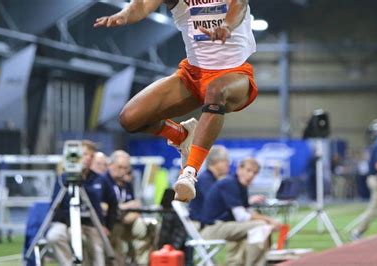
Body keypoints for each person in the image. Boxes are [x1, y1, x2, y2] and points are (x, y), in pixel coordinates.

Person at [94, 0, 258, 202]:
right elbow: (142, 5)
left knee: (216, 90)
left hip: (235, 74)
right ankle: (180, 135)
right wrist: (126, 14)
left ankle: (189, 173)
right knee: (130, 118)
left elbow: (239, 5)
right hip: (192, 75)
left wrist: (226, 26)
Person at [200, 158, 281, 266]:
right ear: (239, 169)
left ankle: (246, 262)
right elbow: (242, 216)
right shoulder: (229, 183)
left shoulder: (239, 185)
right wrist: (269, 220)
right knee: (261, 226)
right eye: (248, 170)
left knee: (255, 227)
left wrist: (267, 221)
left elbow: (247, 212)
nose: (251, 175)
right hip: (212, 228)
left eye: (255, 173)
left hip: (224, 226)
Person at [46, 140, 109, 266]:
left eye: (91, 156)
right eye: (84, 154)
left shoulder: (98, 179)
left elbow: (99, 205)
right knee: (54, 236)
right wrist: (71, 224)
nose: (87, 158)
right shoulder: (63, 179)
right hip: (65, 222)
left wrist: (105, 224)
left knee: (93, 244)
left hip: (90, 224)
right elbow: (56, 207)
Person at [102, 150, 155, 265]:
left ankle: (141, 262)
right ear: (110, 165)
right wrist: (124, 207)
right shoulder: (103, 180)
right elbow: (104, 208)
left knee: (151, 227)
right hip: (111, 222)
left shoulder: (126, 182)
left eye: (126, 168)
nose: (123, 171)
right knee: (116, 230)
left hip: (129, 219)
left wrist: (134, 212)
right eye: (120, 167)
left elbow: (136, 205)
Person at [189, 145, 230, 223]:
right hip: (201, 225)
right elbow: (216, 204)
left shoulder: (211, 179)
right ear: (215, 161)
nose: (228, 164)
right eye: (226, 161)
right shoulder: (205, 180)